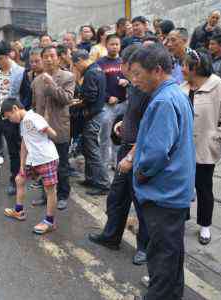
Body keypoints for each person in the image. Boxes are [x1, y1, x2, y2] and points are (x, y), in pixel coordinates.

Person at [130, 44, 195, 300]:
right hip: (174, 191)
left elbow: (156, 153)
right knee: (172, 254)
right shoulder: (175, 94)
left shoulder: (164, 101)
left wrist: (141, 173)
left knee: (161, 257)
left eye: (137, 74)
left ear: (157, 70)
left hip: (164, 193)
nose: (134, 81)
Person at [88, 44, 150, 265]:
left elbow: (149, 125)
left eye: (124, 62)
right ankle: (111, 236)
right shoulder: (133, 86)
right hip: (126, 146)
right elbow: (133, 115)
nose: (120, 66)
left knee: (140, 201)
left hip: (138, 151)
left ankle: (144, 247)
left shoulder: (146, 88)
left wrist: (132, 155)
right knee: (116, 197)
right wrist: (122, 124)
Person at [181, 49, 221, 245]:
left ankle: (205, 225)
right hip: (182, 150)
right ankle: (182, 218)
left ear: (194, 68)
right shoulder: (182, 88)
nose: (181, 69)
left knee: (203, 188)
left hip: (205, 150)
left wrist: (215, 139)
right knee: (183, 186)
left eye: (184, 65)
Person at [2, 97, 60, 234]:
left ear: (15, 109)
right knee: (19, 179)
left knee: (50, 190)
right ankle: (19, 211)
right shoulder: (23, 123)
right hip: (32, 159)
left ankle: (50, 222)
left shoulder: (33, 117)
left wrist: (45, 131)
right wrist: (22, 164)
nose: (10, 120)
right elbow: (24, 143)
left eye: (9, 117)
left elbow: (53, 134)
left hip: (46, 158)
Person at [31, 45, 75, 210]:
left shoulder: (68, 77)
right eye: (46, 56)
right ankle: (45, 195)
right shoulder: (36, 81)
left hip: (59, 128)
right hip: (41, 130)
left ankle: (63, 195)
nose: (49, 59)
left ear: (58, 58)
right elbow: (35, 105)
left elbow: (67, 99)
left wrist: (52, 84)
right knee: (43, 164)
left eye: (52, 56)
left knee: (61, 164)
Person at [0, 40, 25, 196]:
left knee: (14, 151)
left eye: (1, 58)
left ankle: (13, 182)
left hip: (10, 118)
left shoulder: (20, 71)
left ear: (9, 55)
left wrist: (19, 114)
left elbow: (25, 95)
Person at [71, 50, 110, 195]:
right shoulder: (98, 69)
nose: (76, 68)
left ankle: (103, 184)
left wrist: (76, 103)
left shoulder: (91, 73)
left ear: (81, 60)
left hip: (93, 115)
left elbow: (90, 96)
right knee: (87, 149)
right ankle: (90, 178)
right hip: (96, 113)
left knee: (92, 150)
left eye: (76, 65)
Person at [97, 34, 127, 171]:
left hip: (122, 104)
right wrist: (107, 97)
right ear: (106, 45)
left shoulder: (123, 62)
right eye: (112, 44)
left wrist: (127, 82)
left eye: (117, 44)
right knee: (105, 135)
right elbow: (96, 86)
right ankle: (103, 164)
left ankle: (117, 162)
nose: (114, 47)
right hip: (107, 105)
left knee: (119, 134)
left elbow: (133, 78)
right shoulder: (100, 63)